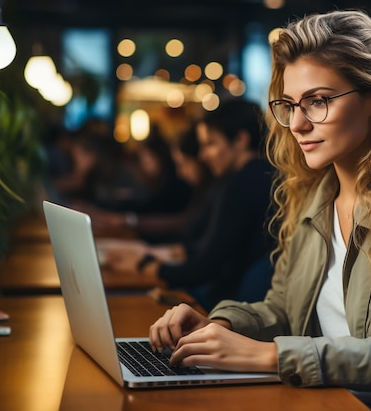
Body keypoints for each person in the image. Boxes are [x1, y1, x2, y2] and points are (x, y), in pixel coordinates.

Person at [147, 10, 371, 411]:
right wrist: (218, 325)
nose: (297, 124)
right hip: (333, 398)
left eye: (317, 102)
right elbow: (282, 310)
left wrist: (265, 356)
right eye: (289, 105)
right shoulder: (313, 196)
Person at [105, 99, 274, 310]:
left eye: (210, 144)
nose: (203, 156)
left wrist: (145, 264)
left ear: (240, 139)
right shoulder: (263, 175)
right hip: (241, 305)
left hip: (228, 309)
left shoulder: (241, 183)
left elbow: (203, 268)